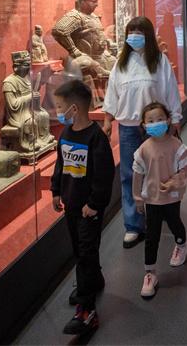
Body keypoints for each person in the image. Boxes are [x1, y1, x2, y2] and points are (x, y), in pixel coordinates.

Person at [102, 16, 182, 248]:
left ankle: (161, 211)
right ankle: (134, 225)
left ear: (148, 34)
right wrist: (107, 120)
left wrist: (175, 118)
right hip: (128, 127)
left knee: (159, 171)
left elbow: (170, 90)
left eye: (139, 31)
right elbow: (112, 92)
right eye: (131, 31)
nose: (134, 36)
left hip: (155, 127)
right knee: (130, 175)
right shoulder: (121, 63)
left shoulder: (159, 60)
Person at [51, 79, 115, 336]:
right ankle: (93, 281)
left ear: (74, 109)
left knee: (87, 252)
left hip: (89, 209)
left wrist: (94, 204)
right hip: (71, 205)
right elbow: (60, 164)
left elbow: (104, 175)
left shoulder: (96, 138)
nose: (57, 111)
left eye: (59, 107)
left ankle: (87, 311)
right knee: (80, 250)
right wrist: (56, 190)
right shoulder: (66, 135)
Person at [132, 102, 187, 298]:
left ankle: (182, 244)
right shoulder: (143, 150)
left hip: (172, 197)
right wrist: (138, 198)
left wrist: (175, 182)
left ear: (167, 120)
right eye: (150, 121)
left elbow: (185, 170)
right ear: (144, 125)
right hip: (152, 199)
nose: (155, 123)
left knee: (175, 223)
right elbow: (137, 175)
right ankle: (150, 273)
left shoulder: (177, 146)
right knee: (152, 235)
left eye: (159, 119)